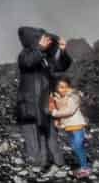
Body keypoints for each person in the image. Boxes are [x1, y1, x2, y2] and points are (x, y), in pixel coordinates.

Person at [15, 26, 73, 167]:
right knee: (33, 135)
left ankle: (55, 162)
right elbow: (28, 62)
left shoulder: (44, 57)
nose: (45, 41)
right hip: (28, 105)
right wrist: (40, 49)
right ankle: (37, 163)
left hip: (44, 103)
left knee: (48, 133)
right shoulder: (25, 55)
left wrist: (62, 50)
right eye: (41, 39)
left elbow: (61, 65)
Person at [48, 77, 93, 173]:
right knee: (74, 146)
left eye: (65, 87)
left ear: (69, 87)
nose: (63, 89)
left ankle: (85, 167)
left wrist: (54, 113)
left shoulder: (73, 97)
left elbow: (69, 111)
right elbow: (60, 109)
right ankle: (82, 164)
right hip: (68, 127)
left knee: (77, 145)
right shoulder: (60, 97)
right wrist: (58, 120)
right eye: (60, 87)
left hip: (77, 125)